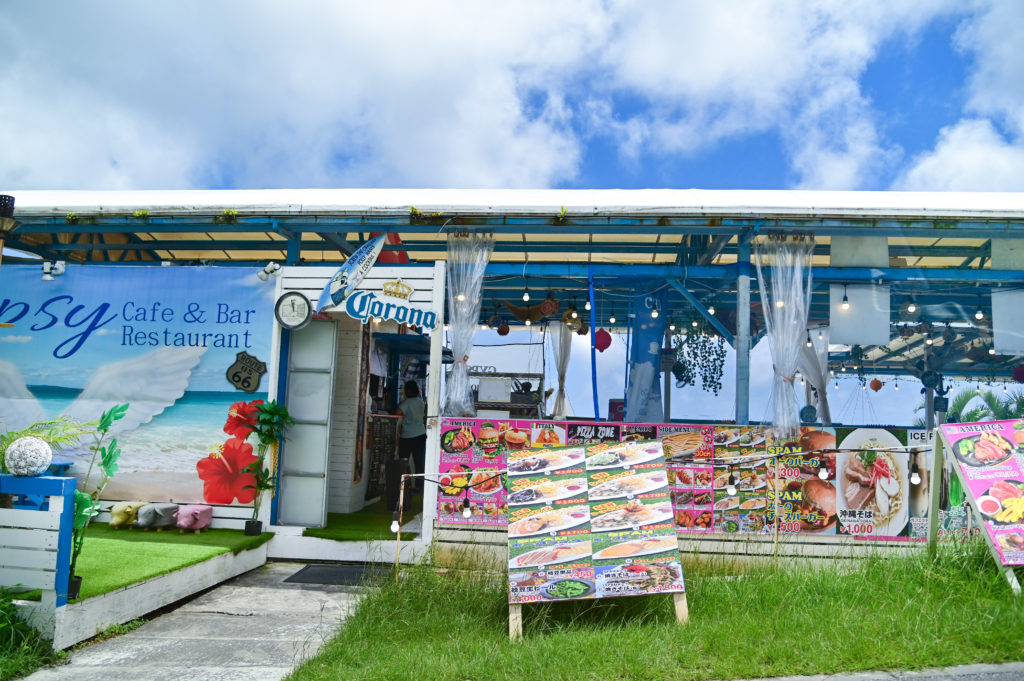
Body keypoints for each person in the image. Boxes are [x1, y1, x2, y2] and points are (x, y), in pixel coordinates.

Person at [394, 380, 426, 488]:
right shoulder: (421, 401)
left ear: (407, 391)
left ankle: (404, 485)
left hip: (407, 436)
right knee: (418, 462)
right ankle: (418, 486)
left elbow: (397, 412)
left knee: (404, 461)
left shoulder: (407, 402)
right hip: (420, 434)